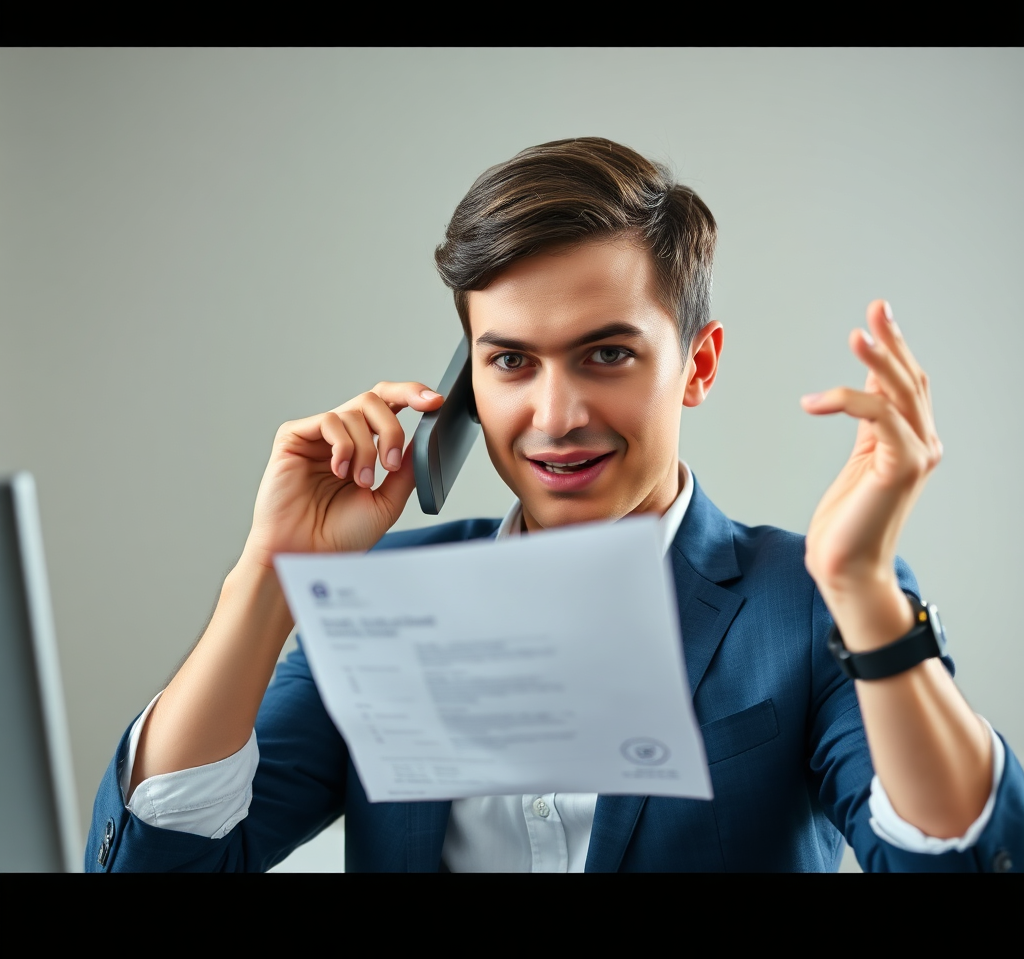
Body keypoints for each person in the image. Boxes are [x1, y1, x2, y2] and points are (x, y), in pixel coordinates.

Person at [86, 137, 1022, 872]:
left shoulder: (814, 601)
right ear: (465, 384)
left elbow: (963, 862)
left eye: (607, 354)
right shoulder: (390, 594)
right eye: (510, 361)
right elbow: (159, 864)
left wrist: (861, 590)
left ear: (696, 364)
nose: (557, 415)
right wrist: (270, 578)